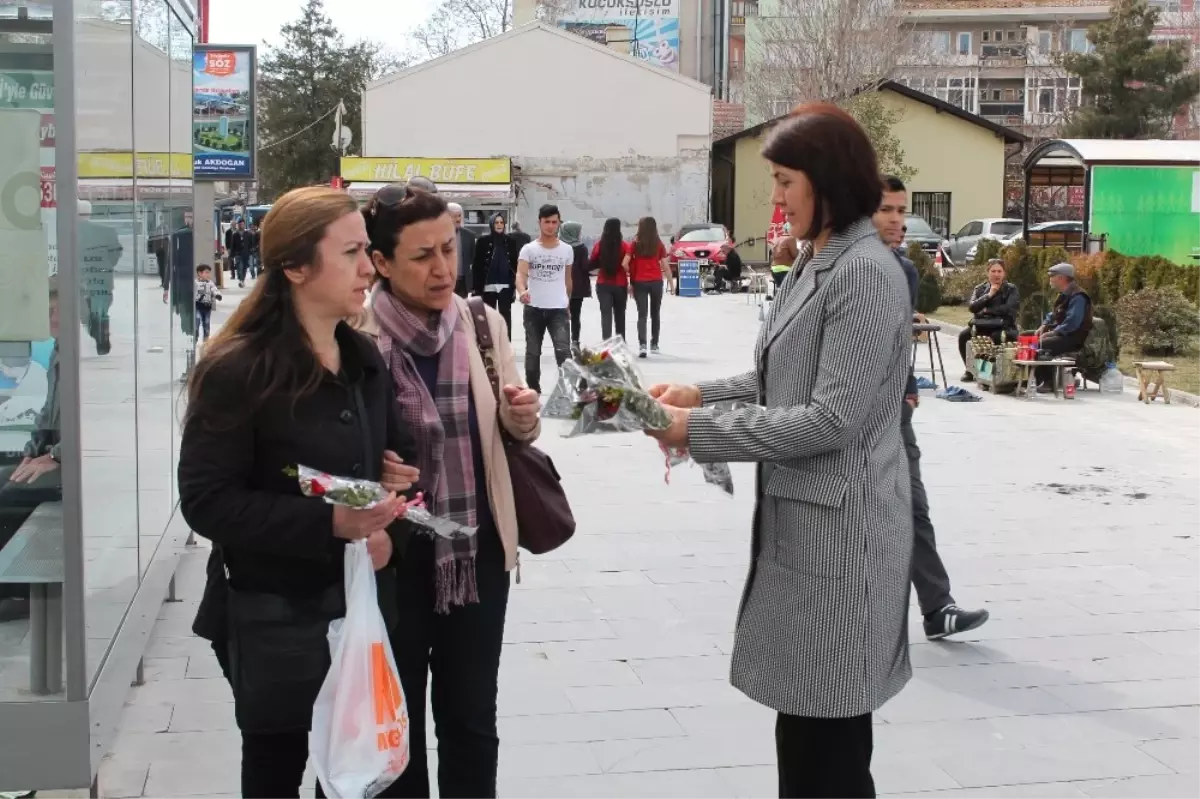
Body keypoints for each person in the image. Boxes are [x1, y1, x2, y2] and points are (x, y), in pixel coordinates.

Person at [645, 104, 913, 798]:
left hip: (843, 538)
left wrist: (694, 432)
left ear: (826, 180)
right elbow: (776, 378)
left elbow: (831, 418)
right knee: (805, 735)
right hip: (807, 529)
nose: (776, 198)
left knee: (829, 748)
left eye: (785, 181)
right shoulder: (819, 259)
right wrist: (698, 393)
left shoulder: (862, 272)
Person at [178, 187, 422, 798]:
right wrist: (330, 526)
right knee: (277, 771)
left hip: (361, 611)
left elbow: (387, 467)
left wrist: (390, 516)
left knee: (363, 772)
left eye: (367, 250)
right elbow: (208, 500)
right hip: (275, 619)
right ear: (295, 267)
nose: (370, 267)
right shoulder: (238, 369)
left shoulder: (363, 357)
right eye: (351, 253)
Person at [355, 183, 541, 798]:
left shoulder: (481, 323)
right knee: (395, 726)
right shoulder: (354, 334)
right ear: (380, 263)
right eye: (422, 255)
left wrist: (521, 416)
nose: (442, 268)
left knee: (470, 721)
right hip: (391, 559)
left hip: (474, 552)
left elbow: (513, 424)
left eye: (448, 249)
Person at [875, 175, 990, 642]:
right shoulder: (835, 263)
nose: (898, 221)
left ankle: (937, 607)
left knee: (913, 508)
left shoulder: (903, 270)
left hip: (891, 413)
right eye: (887, 210)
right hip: (839, 414)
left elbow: (895, 338)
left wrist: (905, 386)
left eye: (902, 211)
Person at [0, 280, 62, 609]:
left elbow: (86, 426)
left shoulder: (80, 359)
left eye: (57, 311)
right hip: (52, 454)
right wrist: (33, 450)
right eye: (47, 311)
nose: (51, 317)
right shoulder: (56, 350)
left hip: (72, 464)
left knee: (9, 494)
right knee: (6, 477)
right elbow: (47, 414)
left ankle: (20, 593)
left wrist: (55, 456)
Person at [515, 204, 573, 394]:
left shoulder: (566, 250)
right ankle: (533, 390)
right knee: (533, 352)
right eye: (546, 221)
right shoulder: (529, 249)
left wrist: (568, 303)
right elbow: (520, 274)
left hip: (558, 309)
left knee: (563, 351)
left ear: (559, 223)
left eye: (554, 222)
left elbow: (568, 279)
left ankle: (569, 391)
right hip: (534, 309)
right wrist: (522, 291)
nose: (550, 226)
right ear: (539, 222)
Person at [1035, 262, 1093, 392]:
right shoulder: (1065, 294)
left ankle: (1048, 382)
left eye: (1052, 276)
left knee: (1042, 344)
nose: (1050, 280)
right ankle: (1035, 378)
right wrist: (1044, 324)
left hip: (1074, 337)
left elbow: (1072, 322)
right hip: (1064, 334)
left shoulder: (1078, 296)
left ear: (1061, 278)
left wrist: (1053, 333)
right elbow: (1055, 313)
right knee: (1029, 338)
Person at [959, 259, 1020, 378]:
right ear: (988, 273)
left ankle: (994, 372)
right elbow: (972, 307)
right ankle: (969, 370)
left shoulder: (1011, 289)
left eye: (999, 271)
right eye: (993, 271)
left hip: (1003, 326)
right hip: (982, 325)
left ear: (1004, 273)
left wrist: (987, 311)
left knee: (997, 337)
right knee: (963, 336)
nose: (996, 274)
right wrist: (989, 295)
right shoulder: (980, 289)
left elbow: (1008, 308)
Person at [78, 200, 122, 355]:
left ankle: (98, 332)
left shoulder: (68, 230)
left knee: (85, 312)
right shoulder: (106, 231)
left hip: (81, 279)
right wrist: (105, 266)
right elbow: (116, 252)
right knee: (101, 310)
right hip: (102, 279)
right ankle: (101, 337)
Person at [471, 214, 519, 339]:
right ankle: (489, 344)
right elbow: (477, 266)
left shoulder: (511, 241)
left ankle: (506, 344)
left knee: (505, 316)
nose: (499, 225)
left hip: (505, 285)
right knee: (488, 317)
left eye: (501, 223)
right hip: (488, 285)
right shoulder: (482, 241)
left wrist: (516, 285)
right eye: (496, 223)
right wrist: (476, 288)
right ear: (492, 224)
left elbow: (515, 264)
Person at [629, 216, 669, 358]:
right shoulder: (658, 244)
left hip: (640, 282)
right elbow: (665, 264)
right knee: (655, 313)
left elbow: (625, 263)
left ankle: (642, 345)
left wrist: (630, 280)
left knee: (642, 314)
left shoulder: (635, 243)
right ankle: (655, 344)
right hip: (656, 282)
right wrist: (672, 282)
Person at [590, 217, 632, 340]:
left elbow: (592, 261)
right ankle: (621, 343)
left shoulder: (599, 245)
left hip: (603, 283)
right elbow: (628, 264)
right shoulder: (624, 246)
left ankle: (606, 344)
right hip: (620, 284)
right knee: (620, 315)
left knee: (606, 315)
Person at [562, 221, 592, 352]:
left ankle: (562, 342)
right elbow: (585, 266)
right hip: (577, 287)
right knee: (575, 315)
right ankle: (575, 341)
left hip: (560, 286)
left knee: (560, 317)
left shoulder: (559, 247)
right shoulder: (582, 248)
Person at [447, 202, 476, 298]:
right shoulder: (439, 235)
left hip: (463, 281)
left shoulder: (469, 235)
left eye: (459, 216)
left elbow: (473, 260)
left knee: (461, 308)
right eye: (455, 216)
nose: (458, 219)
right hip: (446, 279)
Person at [194, 263, 221, 342]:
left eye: (209, 272)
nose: (208, 274)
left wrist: (218, 295)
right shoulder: (195, 283)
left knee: (206, 324)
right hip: (198, 306)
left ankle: (206, 340)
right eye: (206, 272)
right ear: (199, 273)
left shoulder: (210, 283)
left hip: (207, 307)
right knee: (197, 321)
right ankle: (194, 338)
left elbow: (214, 290)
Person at [770, 224, 799, 289]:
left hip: (774, 269)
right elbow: (795, 255)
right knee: (790, 291)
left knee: (781, 290)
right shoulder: (791, 238)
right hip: (785, 269)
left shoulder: (777, 239)